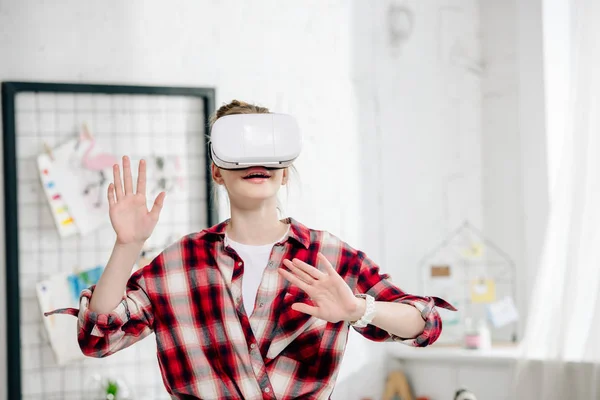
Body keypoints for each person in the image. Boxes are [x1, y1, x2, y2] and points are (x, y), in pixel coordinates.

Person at [46, 100, 456, 400]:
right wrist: (127, 246)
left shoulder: (326, 255)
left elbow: (426, 324)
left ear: (284, 169)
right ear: (216, 172)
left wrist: (359, 310)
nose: (255, 163)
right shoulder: (179, 264)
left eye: (267, 152)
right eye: (240, 153)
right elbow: (97, 339)